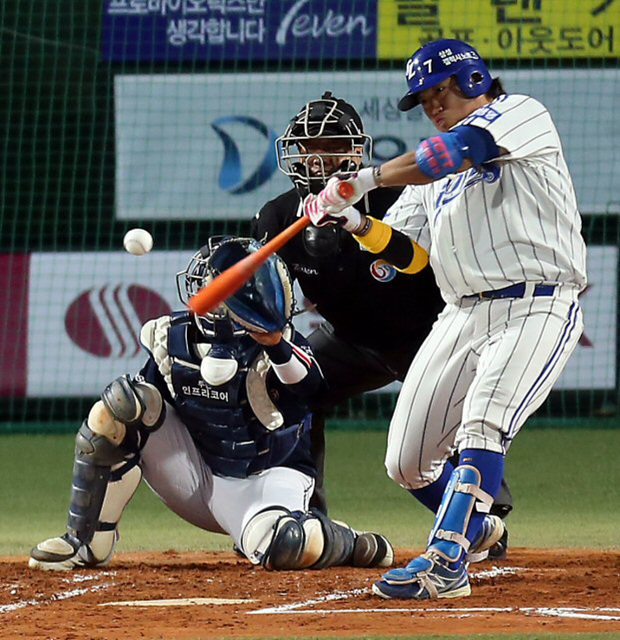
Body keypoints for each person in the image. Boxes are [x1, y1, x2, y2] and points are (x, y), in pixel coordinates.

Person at [304, 39, 586, 599]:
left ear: (475, 80)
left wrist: (364, 180)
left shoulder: (521, 115)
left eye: (439, 90)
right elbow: (409, 254)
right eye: (424, 98)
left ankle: (445, 559)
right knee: (407, 462)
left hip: (537, 303)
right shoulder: (428, 172)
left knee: (484, 424)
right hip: (462, 314)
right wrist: (355, 222)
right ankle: (477, 528)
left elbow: (453, 153)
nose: (432, 104)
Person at [28, 237, 394, 573]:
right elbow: (141, 410)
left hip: (263, 480)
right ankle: (87, 540)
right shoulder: (172, 336)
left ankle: (353, 543)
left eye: (225, 290)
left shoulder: (283, 349)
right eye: (212, 288)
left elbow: (311, 391)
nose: (212, 298)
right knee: (121, 405)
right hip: (193, 472)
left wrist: (273, 342)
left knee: (290, 546)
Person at [253, 90, 512, 558]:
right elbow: (272, 296)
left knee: (453, 423)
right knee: (286, 386)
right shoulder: (276, 218)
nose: (320, 159)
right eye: (310, 148)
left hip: (428, 336)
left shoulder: (398, 194)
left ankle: (482, 521)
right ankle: (301, 515)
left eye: (333, 147)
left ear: (357, 153)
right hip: (349, 342)